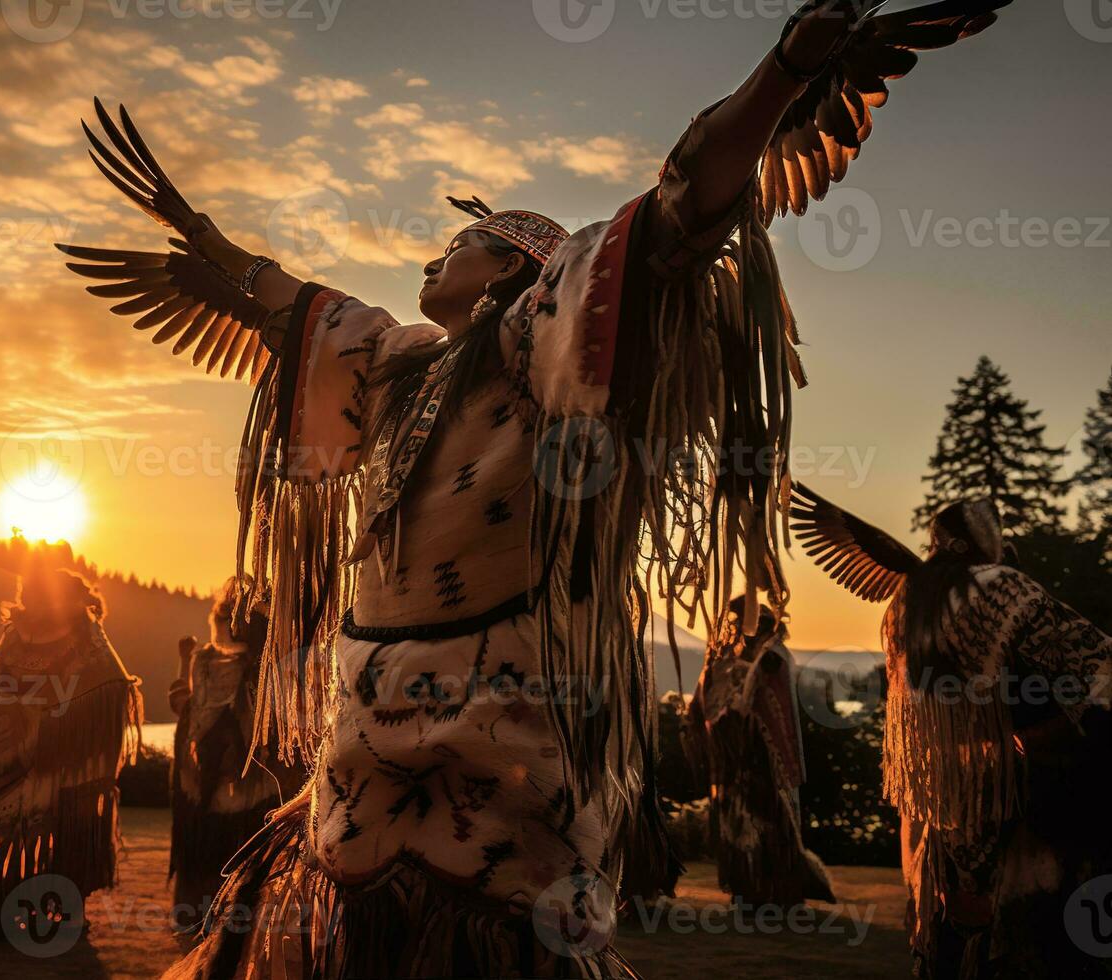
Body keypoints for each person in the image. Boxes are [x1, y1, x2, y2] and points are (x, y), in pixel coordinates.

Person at [57, 2, 1010, 974]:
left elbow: (682, 208)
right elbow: (290, 299)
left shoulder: (541, 341)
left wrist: (787, 69)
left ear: (514, 267)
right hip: (357, 744)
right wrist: (197, 225)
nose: (434, 258)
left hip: (498, 740)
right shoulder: (396, 361)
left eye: (458, 248)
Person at [792, 487, 1112, 978]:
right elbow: (1091, 660)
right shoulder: (1000, 586)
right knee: (1020, 931)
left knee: (951, 923)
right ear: (989, 541)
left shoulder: (907, 599)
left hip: (938, 795)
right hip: (1010, 789)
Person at [0, 563, 143, 932]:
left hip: (52, 753)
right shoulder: (15, 634)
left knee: (50, 823)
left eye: (39, 590)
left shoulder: (85, 632)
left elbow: (111, 686)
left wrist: (61, 722)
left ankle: (42, 904)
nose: (31, 597)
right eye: (30, 590)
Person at [167, 579, 305, 943]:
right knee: (209, 869)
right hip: (206, 786)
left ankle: (234, 924)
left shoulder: (277, 669)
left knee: (242, 870)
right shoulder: (209, 662)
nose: (233, 626)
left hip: (250, 789)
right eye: (229, 617)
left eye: (241, 619)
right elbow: (190, 711)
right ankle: (210, 925)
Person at [684, 596, 834, 907]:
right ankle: (747, 890)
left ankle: (777, 892)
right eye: (738, 623)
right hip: (734, 761)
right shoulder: (727, 657)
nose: (741, 630)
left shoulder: (773, 655)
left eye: (747, 622)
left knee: (772, 822)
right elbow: (710, 703)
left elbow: (750, 696)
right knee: (738, 824)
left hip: (764, 758)